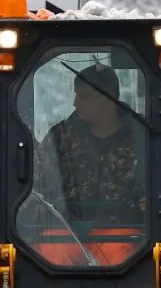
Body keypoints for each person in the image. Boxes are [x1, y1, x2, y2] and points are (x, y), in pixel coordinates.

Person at [36, 63, 143, 222]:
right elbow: (35, 186)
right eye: (76, 95)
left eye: (83, 96)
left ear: (108, 97)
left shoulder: (142, 138)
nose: (75, 103)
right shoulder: (60, 138)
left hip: (136, 234)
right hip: (66, 234)